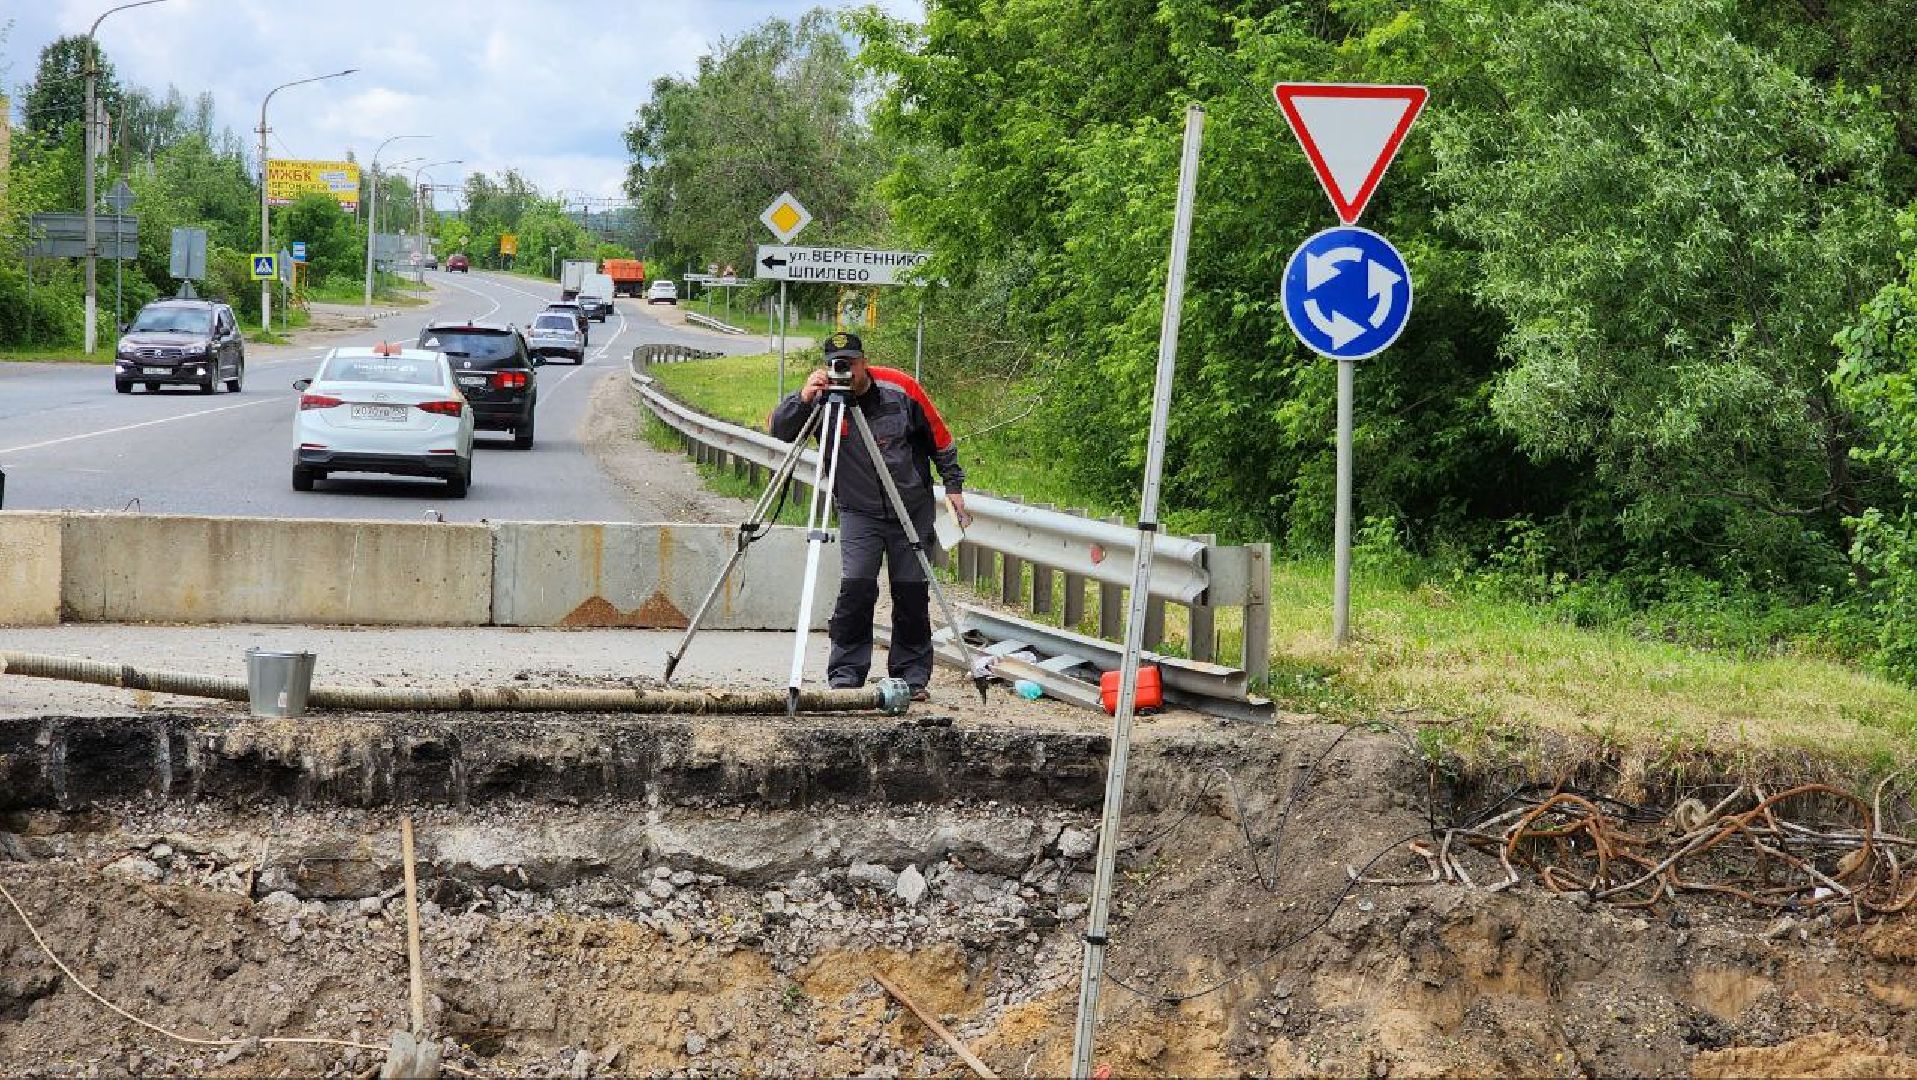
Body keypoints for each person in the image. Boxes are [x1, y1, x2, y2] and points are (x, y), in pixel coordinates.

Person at [769, 331, 971, 700]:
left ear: (864, 361)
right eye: (836, 364)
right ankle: (846, 675)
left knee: (911, 592)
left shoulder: (901, 388)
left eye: (851, 362)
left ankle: (912, 677)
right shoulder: (822, 400)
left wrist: (953, 487)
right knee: (857, 589)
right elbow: (780, 430)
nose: (845, 371)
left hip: (911, 506)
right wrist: (803, 398)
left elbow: (940, 438)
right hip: (858, 509)